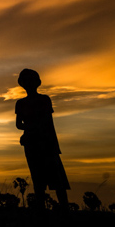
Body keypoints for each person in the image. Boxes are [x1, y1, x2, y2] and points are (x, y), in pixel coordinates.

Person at [15, 68, 70, 211]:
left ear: (38, 82)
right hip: (32, 143)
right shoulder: (21, 103)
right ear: (21, 83)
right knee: (37, 178)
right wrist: (30, 130)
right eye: (25, 80)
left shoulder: (44, 100)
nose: (28, 83)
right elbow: (18, 124)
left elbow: (46, 121)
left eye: (31, 80)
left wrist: (30, 129)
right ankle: (41, 210)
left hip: (46, 142)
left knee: (57, 179)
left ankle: (64, 209)